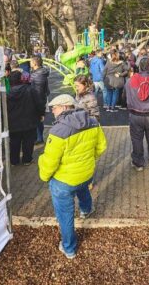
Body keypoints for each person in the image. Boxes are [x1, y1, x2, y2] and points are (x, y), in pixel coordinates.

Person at [39, 94, 107, 259]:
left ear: (63, 107)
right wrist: (89, 161)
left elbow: (50, 162)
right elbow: (102, 147)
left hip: (64, 181)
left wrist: (45, 176)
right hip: (86, 172)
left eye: (53, 108)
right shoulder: (92, 122)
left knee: (65, 214)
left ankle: (69, 248)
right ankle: (87, 209)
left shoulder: (58, 131)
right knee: (83, 187)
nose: (52, 111)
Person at [125, 57, 149, 171]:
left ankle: (138, 164)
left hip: (135, 115)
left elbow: (125, 95)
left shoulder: (131, 80)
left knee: (137, 139)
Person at [6, 70, 45, 166]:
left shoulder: (7, 93)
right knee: (28, 141)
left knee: (14, 142)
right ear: (21, 79)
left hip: (13, 122)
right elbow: (39, 103)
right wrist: (41, 114)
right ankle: (27, 159)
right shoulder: (30, 90)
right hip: (29, 121)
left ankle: (14, 161)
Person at [30, 56, 50, 144]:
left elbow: (38, 91)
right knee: (38, 119)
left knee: (37, 119)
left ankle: (39, 137)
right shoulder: (40, 73)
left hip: (38, 99)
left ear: (35, 63)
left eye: (31, 62)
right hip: (40, 98)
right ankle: (39, 137)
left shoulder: (37, 75)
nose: (30, 63)